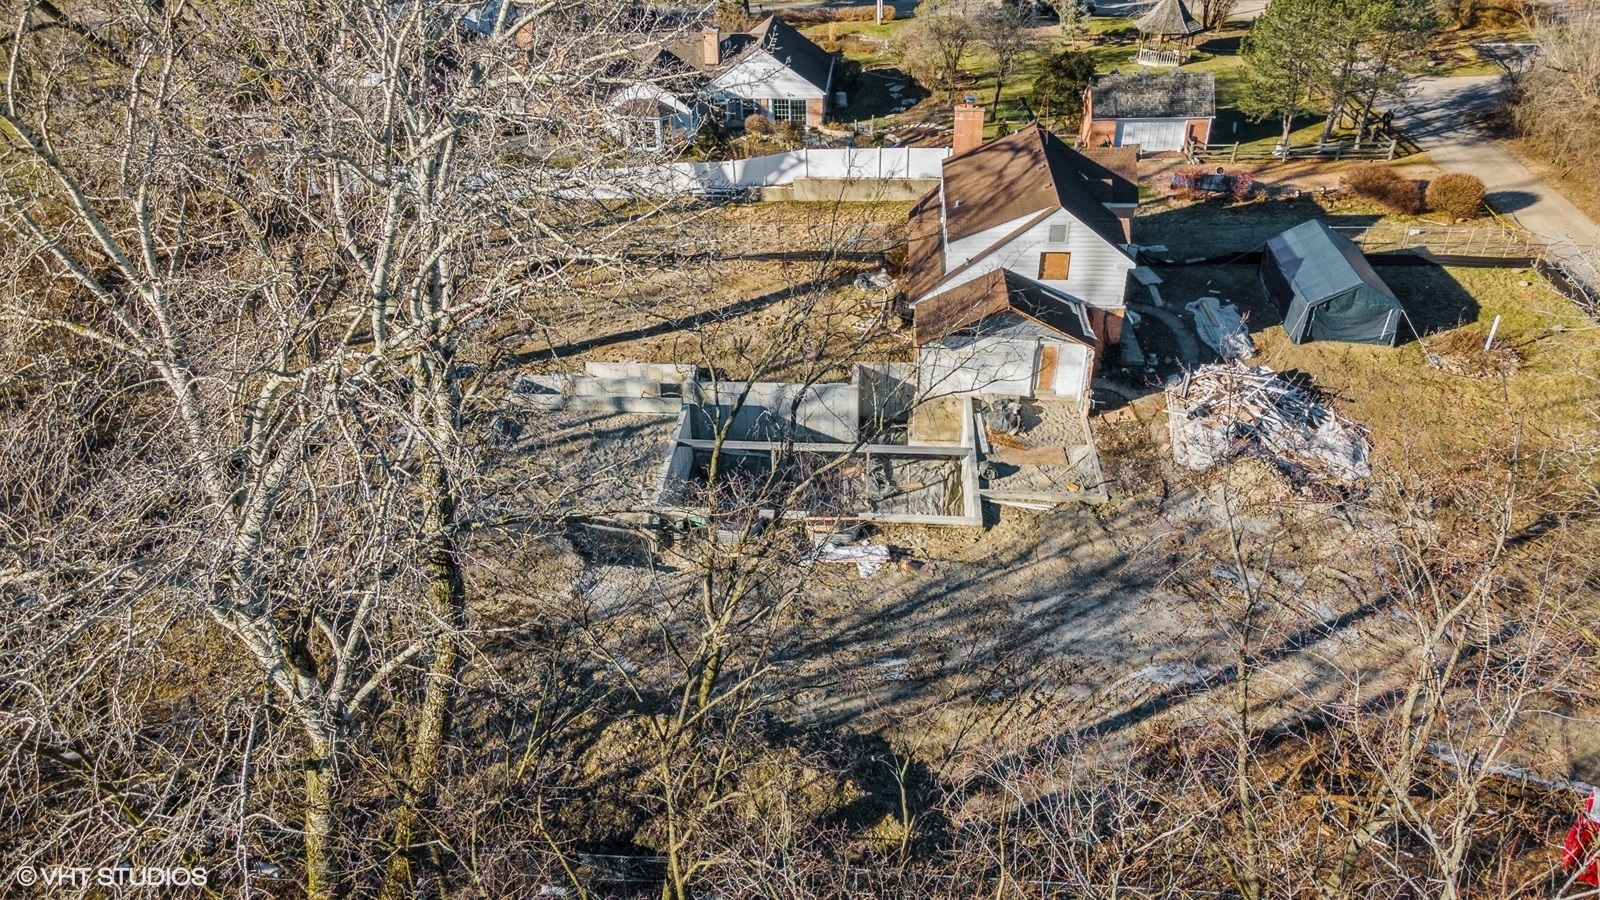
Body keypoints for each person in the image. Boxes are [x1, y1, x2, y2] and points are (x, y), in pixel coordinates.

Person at [1564, 788, 1600, 887]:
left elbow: (1575, 840)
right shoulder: (1568, 860)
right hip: (1592, 819)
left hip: (1593, 819)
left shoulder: (1570, 861)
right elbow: (1574, 839)